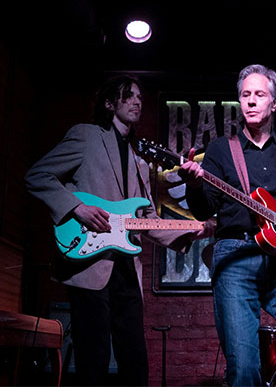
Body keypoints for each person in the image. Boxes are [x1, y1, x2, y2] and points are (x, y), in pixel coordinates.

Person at [25, 74, 205, 386]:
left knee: (135, 361)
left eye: (140, 98)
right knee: (92, 358)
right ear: (110, 103)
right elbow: (38, 175)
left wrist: (193, 231)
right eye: (129, 96)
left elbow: (147, 218)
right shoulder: (86, 136)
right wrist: (76, 208)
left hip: (126, 269)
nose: (137, 102)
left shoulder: (138, 159)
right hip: (90, 261)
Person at [179, 63, 276, 386]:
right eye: (245, 95)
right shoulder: (221, 149)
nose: (250, 101)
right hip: (235, 255)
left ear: (274, 103)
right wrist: (193, 184)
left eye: (259, 94)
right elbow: (204, 208)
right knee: (245, 369)